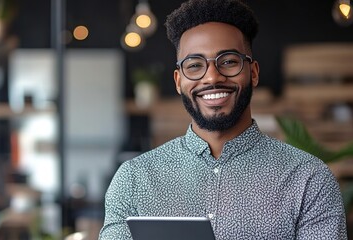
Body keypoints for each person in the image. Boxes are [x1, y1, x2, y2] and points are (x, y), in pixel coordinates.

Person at [99, 0, 347, 239]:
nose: (211, 78)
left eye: (228, 61)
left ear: (253, 73)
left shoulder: (309, 179)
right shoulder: (133, 179)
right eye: (195, 65)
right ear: (178, 81)